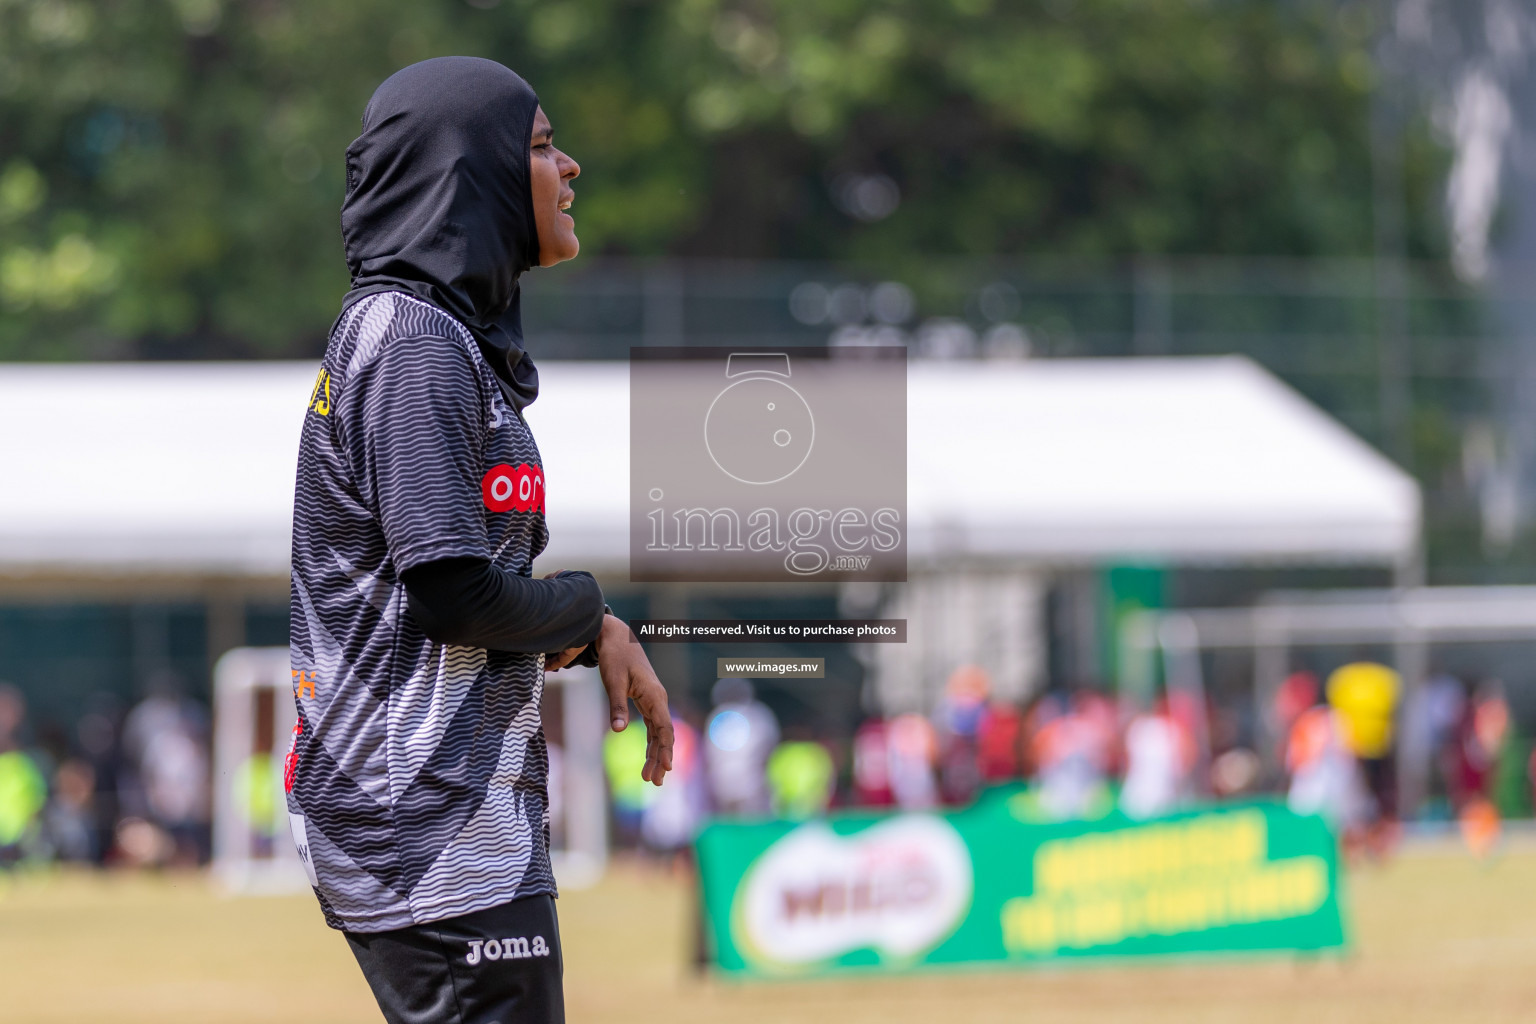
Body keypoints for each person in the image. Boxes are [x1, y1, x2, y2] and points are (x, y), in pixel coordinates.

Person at [286, 57, 673, 1024]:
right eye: (541, 145)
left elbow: (454, 590)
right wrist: (585, 605)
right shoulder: (413, 340)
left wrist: (590, 635)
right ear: (473, 175)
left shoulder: (441, 337)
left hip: (457, 822)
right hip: (427, 828)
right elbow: (453, 592)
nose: (570, 166)